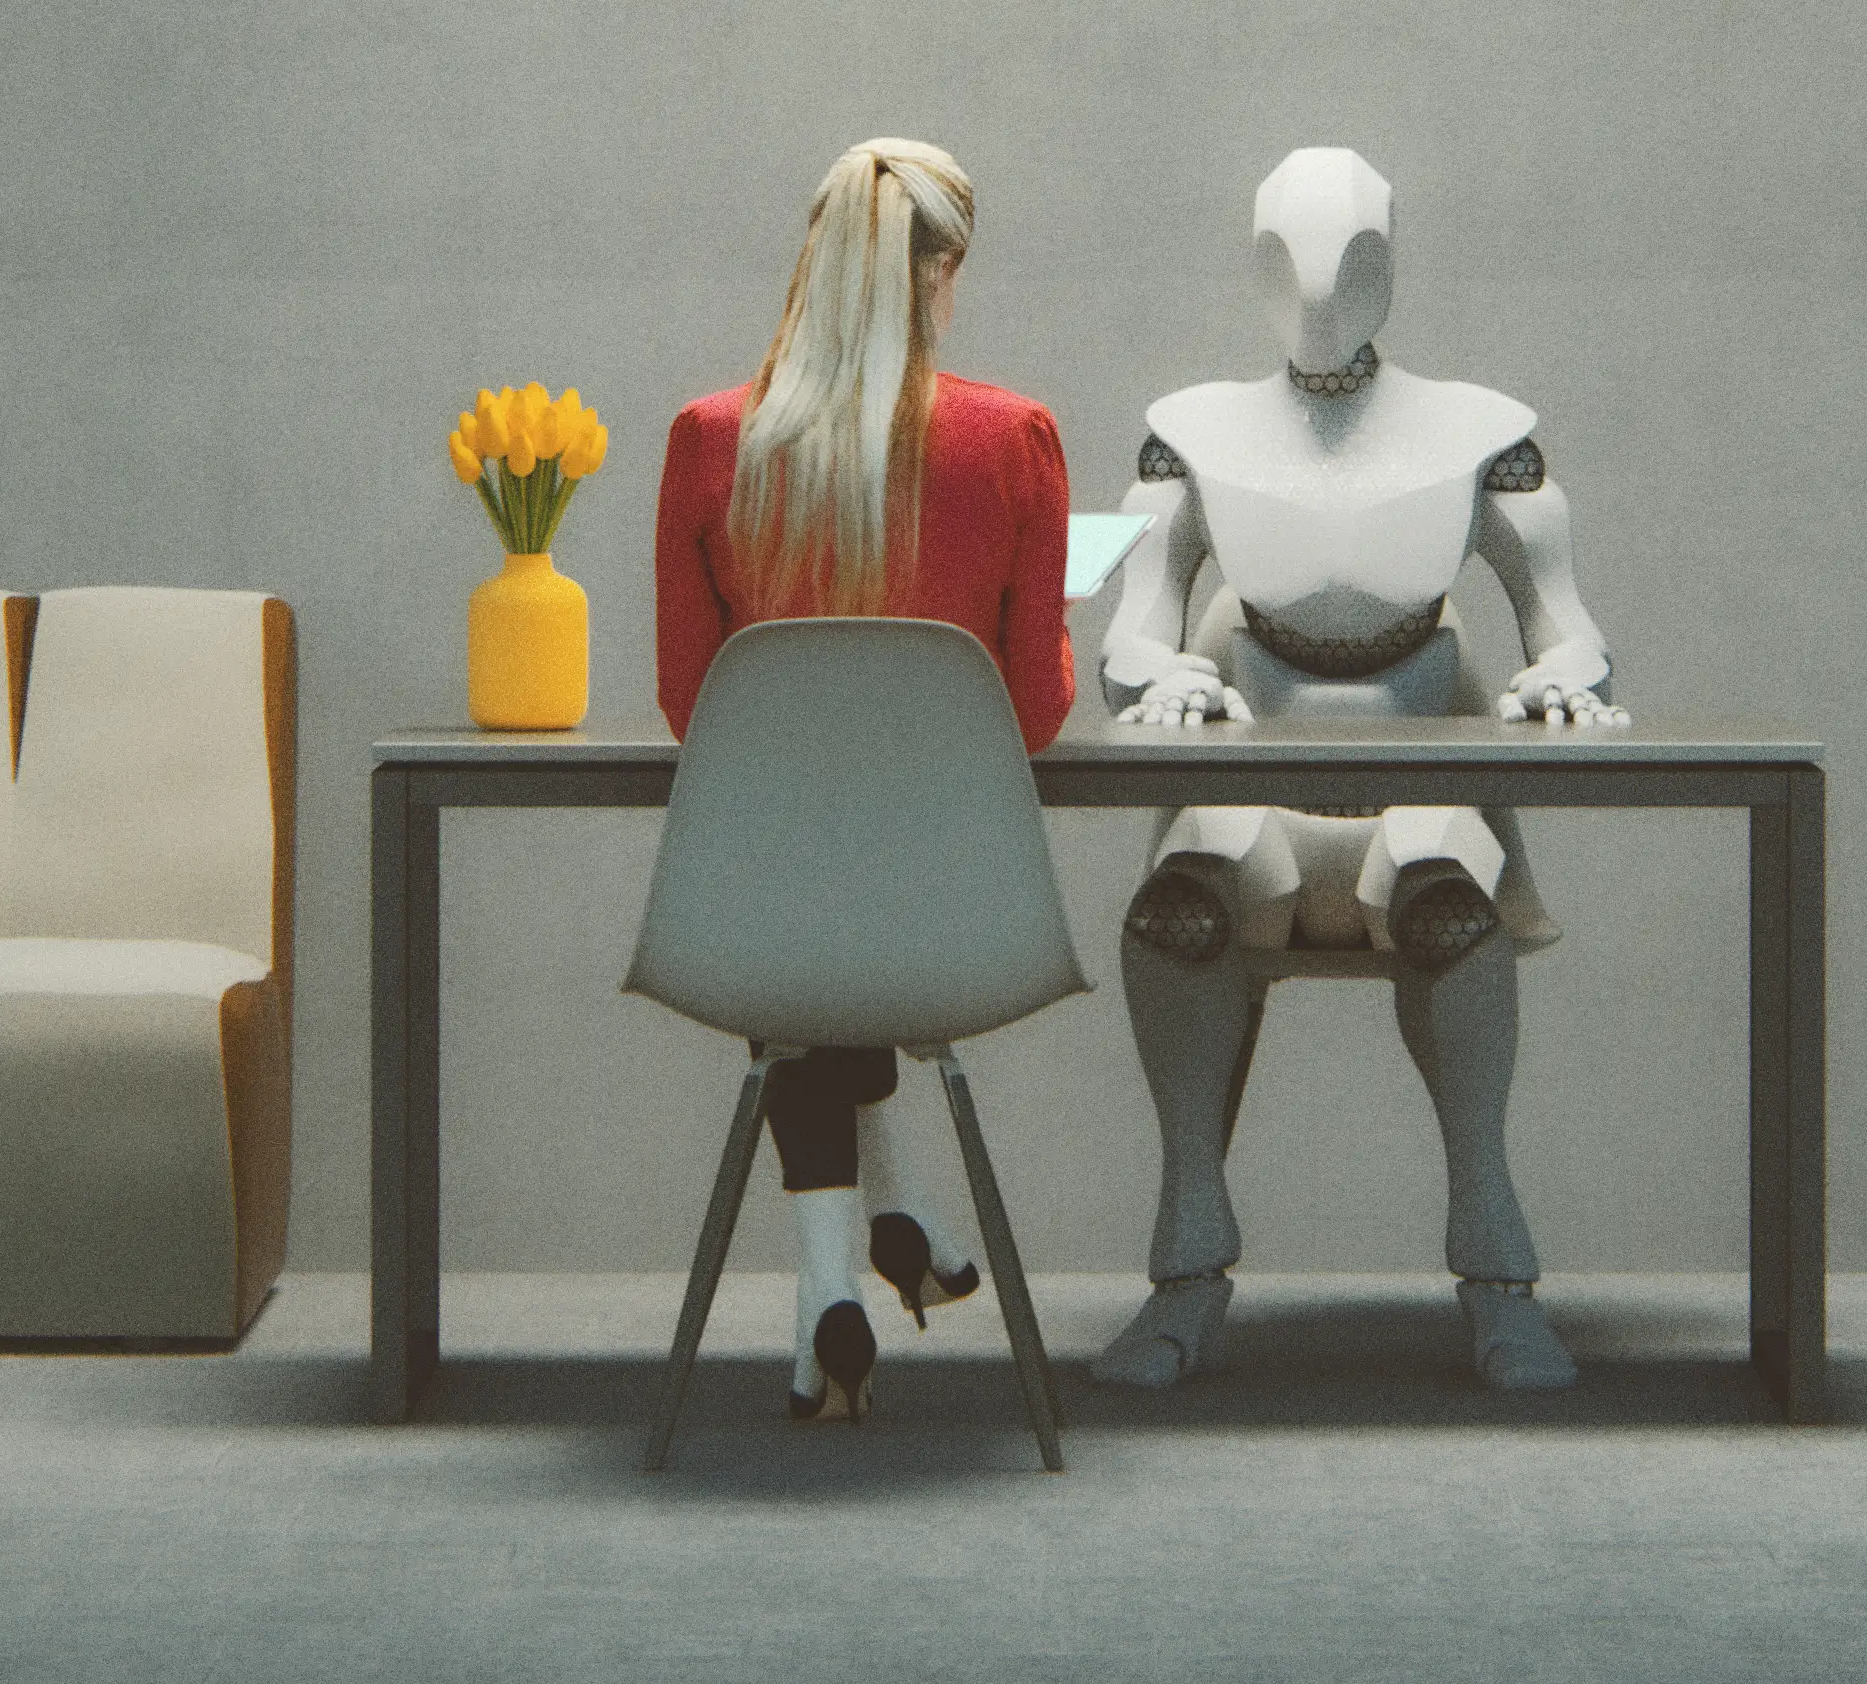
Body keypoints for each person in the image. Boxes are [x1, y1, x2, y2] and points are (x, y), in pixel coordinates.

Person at [1092, 145, 1622, 1394]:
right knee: (1175, 909)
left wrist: (1566, 678)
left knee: (1444, 891)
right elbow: (1128, 621)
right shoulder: (1184, 437)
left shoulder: (1487, 436)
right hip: (1251, 804)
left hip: (1416, 798)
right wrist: (1149, 675)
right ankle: (1182, 1272)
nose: (1321, 292)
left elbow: (1568, 620)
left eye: (1350, 261)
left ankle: (1496, 1276)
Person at [655, 136, 1075, 1421]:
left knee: (804, 919)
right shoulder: (1014, 441)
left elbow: (691, 706)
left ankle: (831, 1287)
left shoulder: (706, 440)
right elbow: (1034, 714)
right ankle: (884, 1242)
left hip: (755, 916)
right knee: (847, 913)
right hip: (958, 921)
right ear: (941, 272)